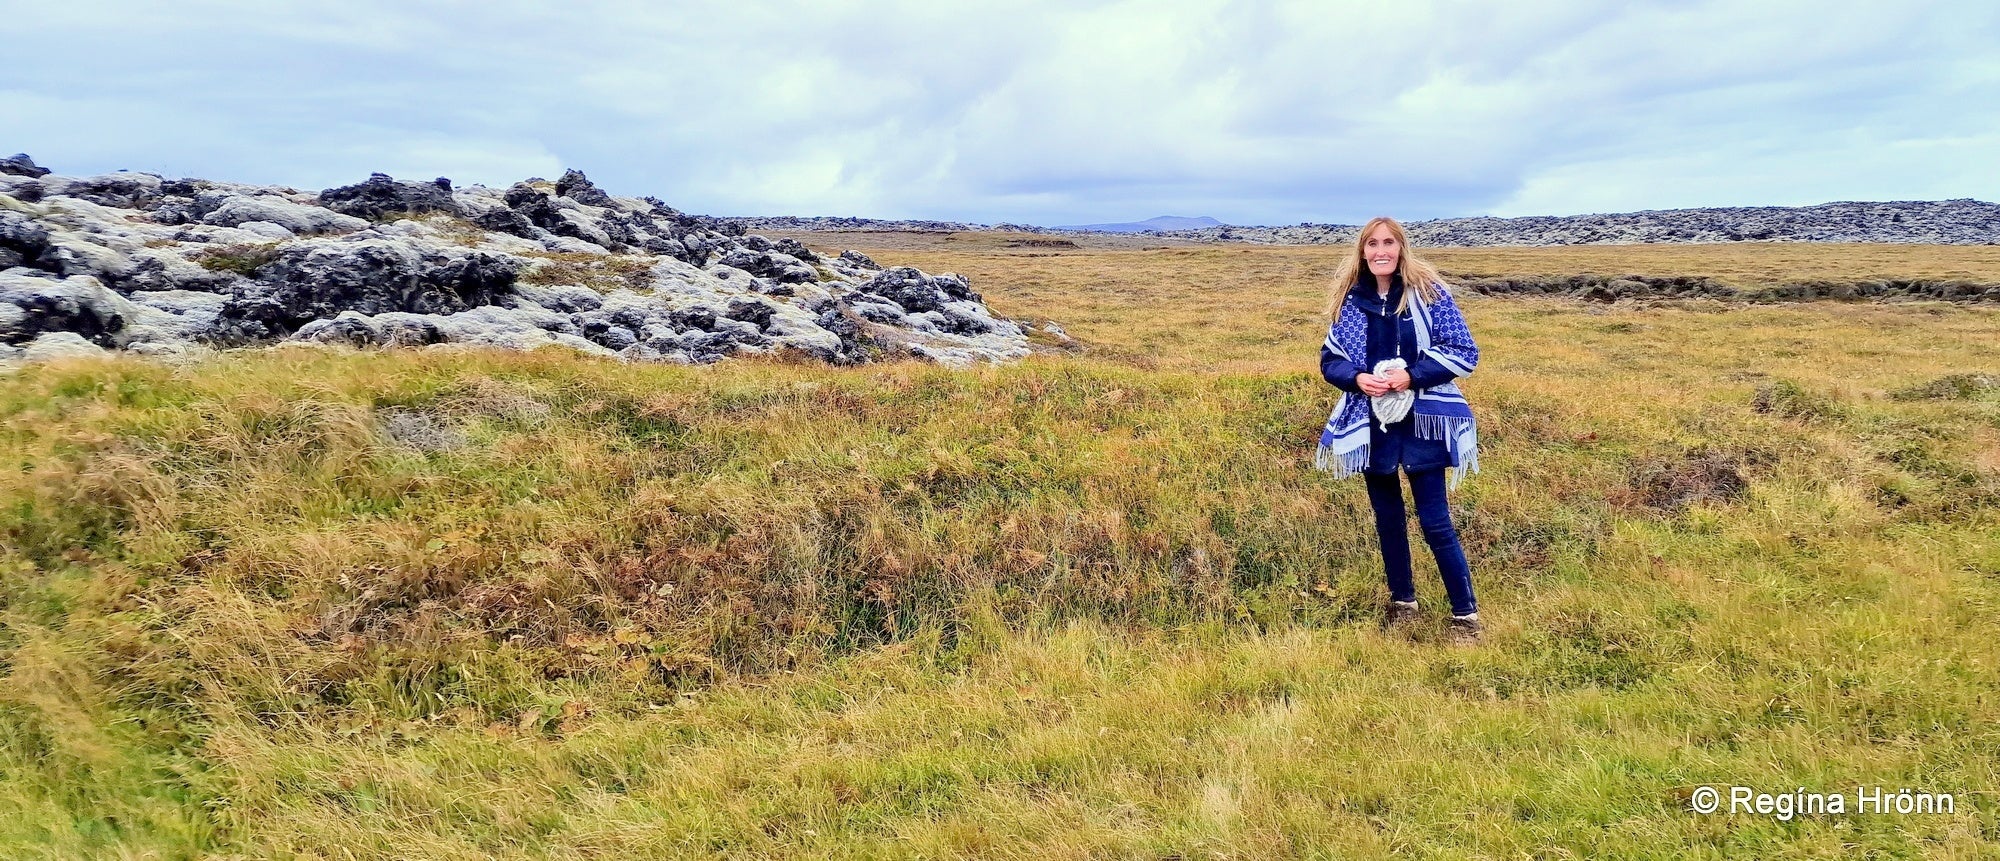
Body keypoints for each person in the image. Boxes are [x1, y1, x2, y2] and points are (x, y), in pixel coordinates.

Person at [1314, 216, 1483, 643]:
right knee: (1388, 519)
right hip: (1373, 427)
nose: (1380, 251)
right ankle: (1402, 603)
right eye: (1372, 244)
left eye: (1388, 242)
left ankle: (1465, 616)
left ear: (1401, 248)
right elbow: (1330, 359)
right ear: (1363, 252)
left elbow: (1464, 351)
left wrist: (1413, 375)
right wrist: (1356, 379)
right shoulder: (1353, 302)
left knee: (1434, 521)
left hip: (1424, 423)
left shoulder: (1429, 294)